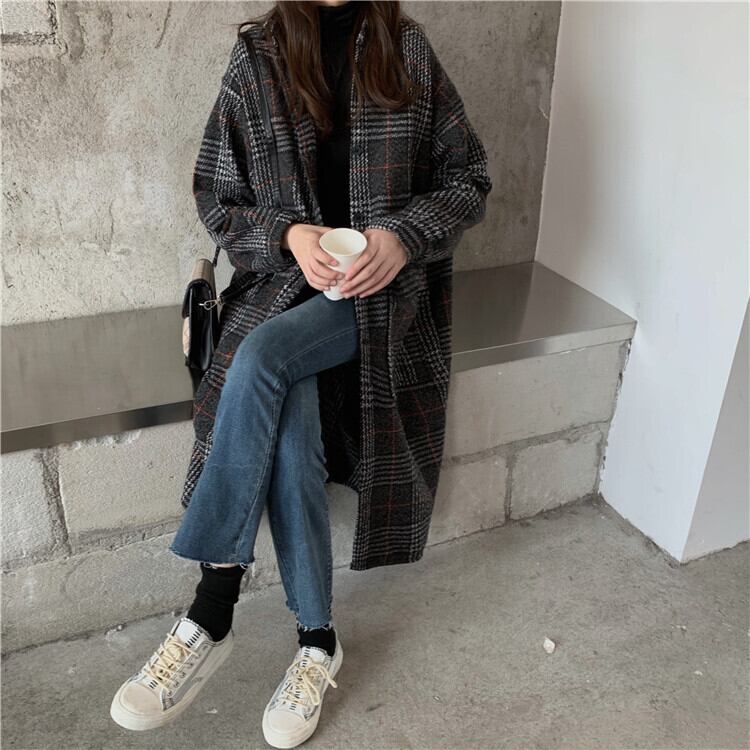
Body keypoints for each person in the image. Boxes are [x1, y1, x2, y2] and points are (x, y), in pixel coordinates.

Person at [110, 1, 492, 747]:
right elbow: (216, 196)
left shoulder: (406, 50)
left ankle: (211, 608)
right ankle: (318, 641)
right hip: (281, 288)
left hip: (381, 300)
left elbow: (469, 177)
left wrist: (401, 237)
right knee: (289, 411)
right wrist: (287, 235)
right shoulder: (258, 57)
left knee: (260, 360)